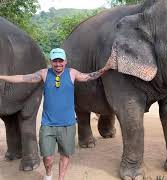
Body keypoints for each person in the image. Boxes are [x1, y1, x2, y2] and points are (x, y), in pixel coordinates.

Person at [0, 48, 111, 180]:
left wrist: (105, 69)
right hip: (48, 125)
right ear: (51, 62)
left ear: (65, 61)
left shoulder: (72, 73)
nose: (58, 64)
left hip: (68, 125)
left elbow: (88, 76)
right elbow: (23, 78)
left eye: (60, 61)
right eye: (55, 61)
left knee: (65, 155)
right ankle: (48, 174)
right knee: (47, 157)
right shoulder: (44, 74)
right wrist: (1, 76)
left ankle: (61, 177)